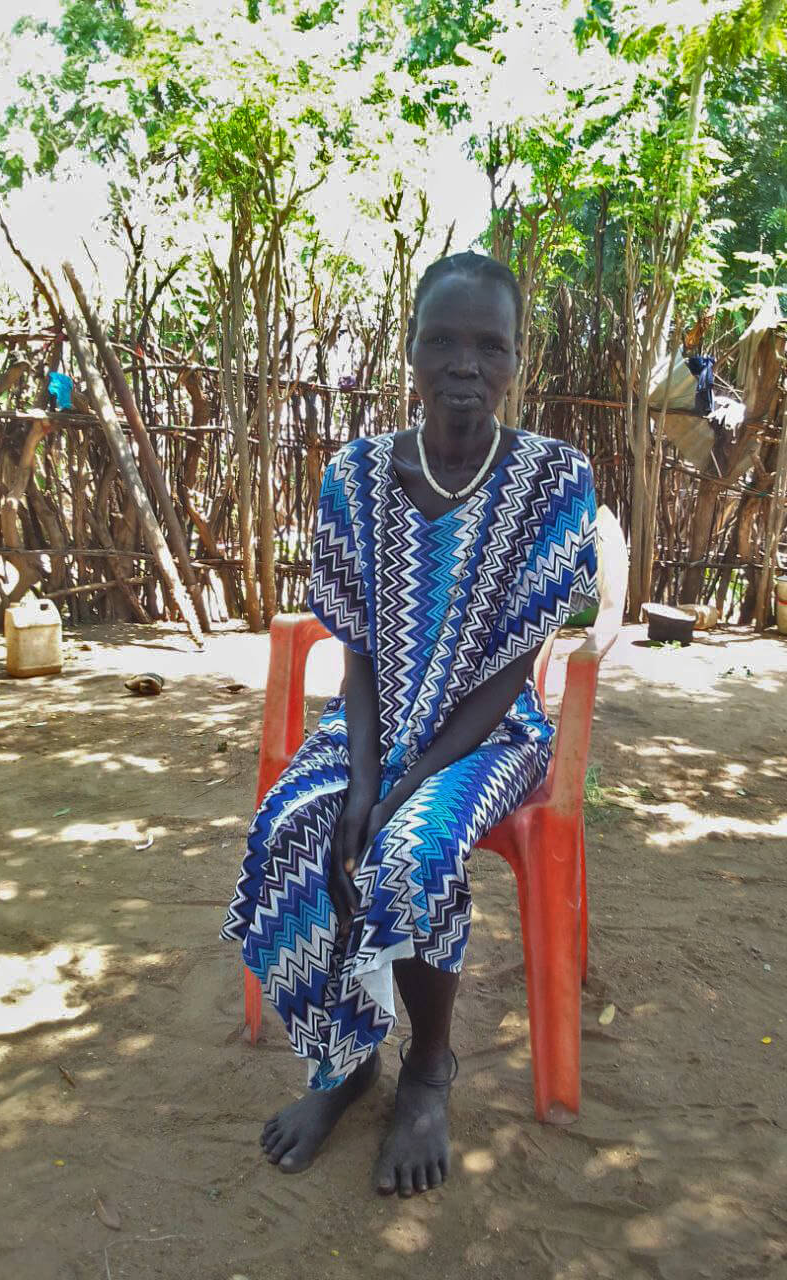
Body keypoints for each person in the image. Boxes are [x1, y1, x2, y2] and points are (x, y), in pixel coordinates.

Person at [221, 251, 598, 1197]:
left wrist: (399, 788)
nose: (463, 362)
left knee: (415, 846)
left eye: (489, 344)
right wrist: (359, 775)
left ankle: (428, 1065)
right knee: (298, 823)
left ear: (518, 359)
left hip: (490, 735)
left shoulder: (555, 480)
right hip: (373, 724)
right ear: (411, 349)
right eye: (442, 339)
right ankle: (349, 1063)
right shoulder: (354, 474)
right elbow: (352, 645)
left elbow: (514, 669)